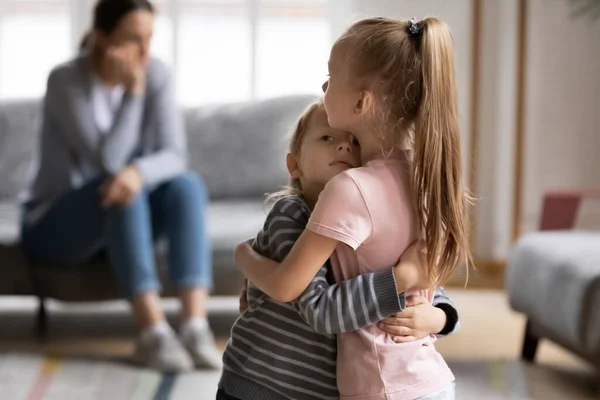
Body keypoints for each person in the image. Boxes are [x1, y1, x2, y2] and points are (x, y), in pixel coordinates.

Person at [234, 17, 472, 399]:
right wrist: (442, 317)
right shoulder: (425, 175)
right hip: (433, 381)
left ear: (361, 102)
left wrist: (243, 255)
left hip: (382, 387)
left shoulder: (349, 189)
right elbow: (427, 281)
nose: (324, 87)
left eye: (330, 77)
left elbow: (289, 287)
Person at [20, 0, 221, 372]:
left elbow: (175, 155)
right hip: (54, 223)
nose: (145, 51)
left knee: (186, 186)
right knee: (119, 190)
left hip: (120, 216)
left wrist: (138, 173)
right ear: (102, 38)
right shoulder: (65, 80)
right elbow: (108, 163)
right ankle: (154, 334)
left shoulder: (156, 72)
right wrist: (133, 94)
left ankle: (195, 327)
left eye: (150, 38)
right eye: (133, 39)